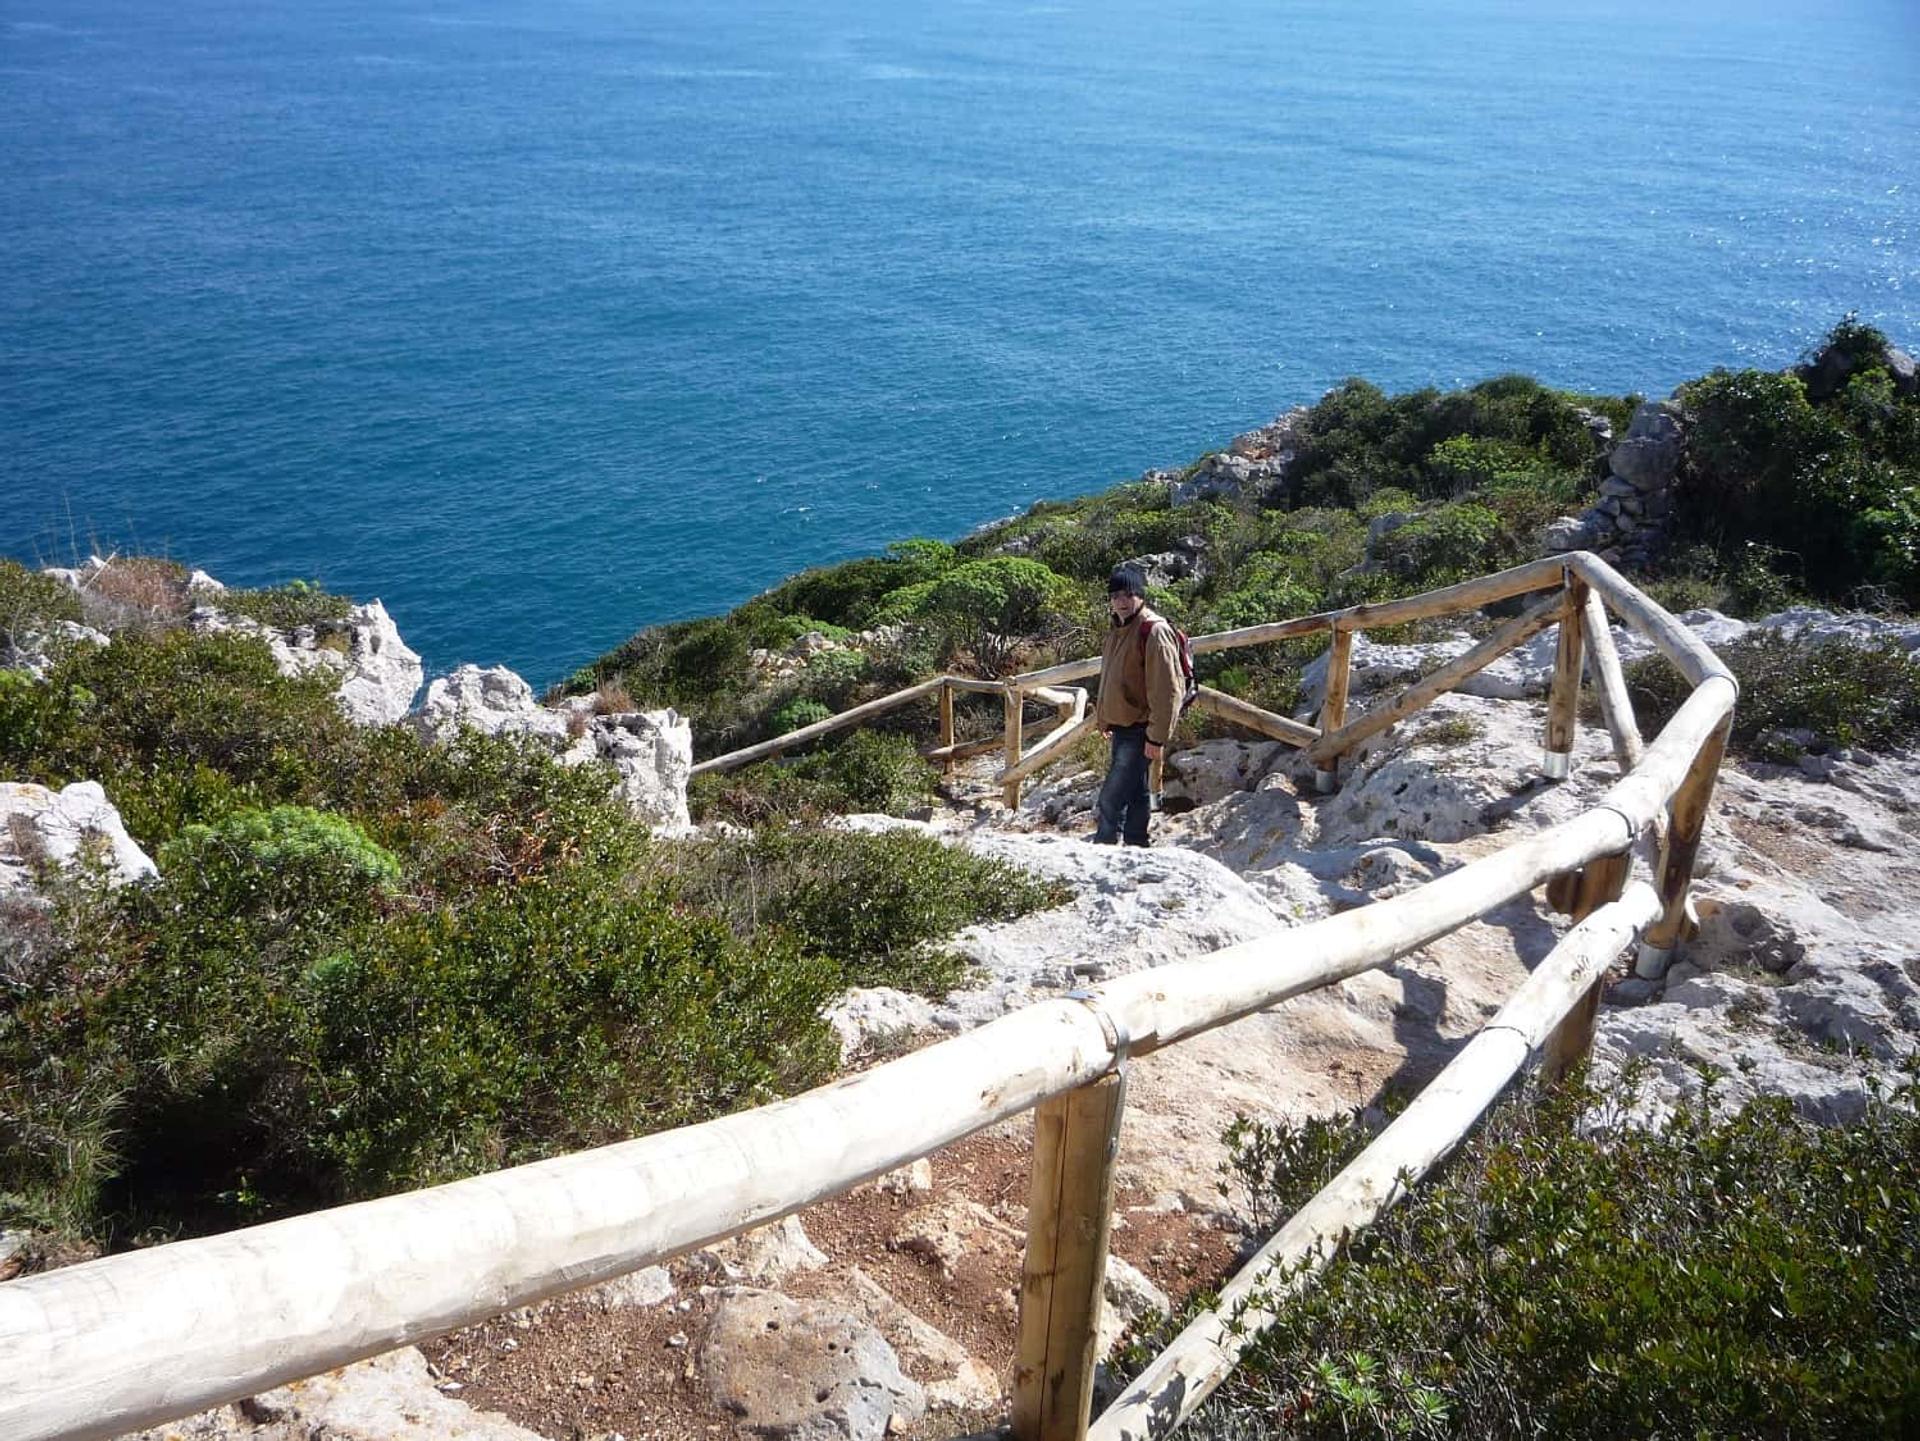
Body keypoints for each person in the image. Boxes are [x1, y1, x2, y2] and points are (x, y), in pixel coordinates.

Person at [1093, 564, 1184, 846]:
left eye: (1127, 594)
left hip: (1140, 728)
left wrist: (1156, 737)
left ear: (1140, 595)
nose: (1121, 601)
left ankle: (1104, 845)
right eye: (1115, 596)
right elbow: (1111, 678)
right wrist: (1104, 717)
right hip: (1123, 726)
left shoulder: (1153, 631)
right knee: (1136, 792)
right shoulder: (1119, 628)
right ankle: (1136, 842)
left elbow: (1168, 690)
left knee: (1111, 797)